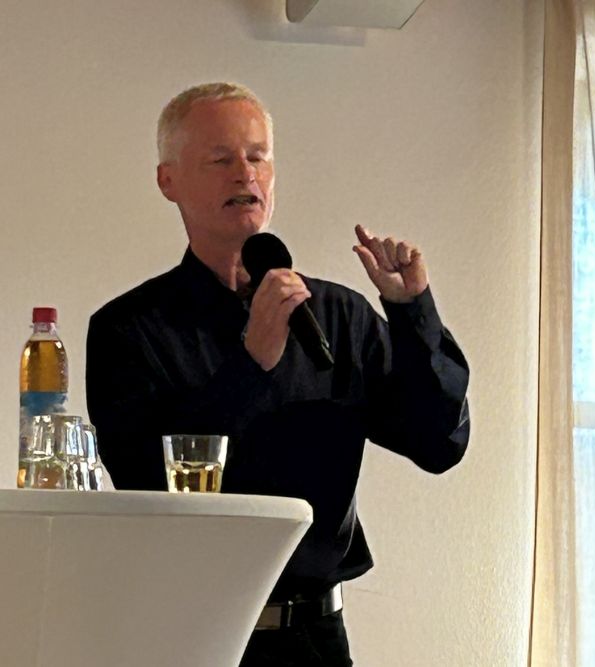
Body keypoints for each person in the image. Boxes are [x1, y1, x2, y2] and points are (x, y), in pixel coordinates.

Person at [85, 82, 470, 667]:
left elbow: (439, 443)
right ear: (168, 181)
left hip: (315, 638)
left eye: (258, 157)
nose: (245, 174)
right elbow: (150, 489)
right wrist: (251, 365)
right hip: (190, 634)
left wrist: (412, 312)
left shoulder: (337, 315)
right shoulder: (129, 330)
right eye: (221, 159)